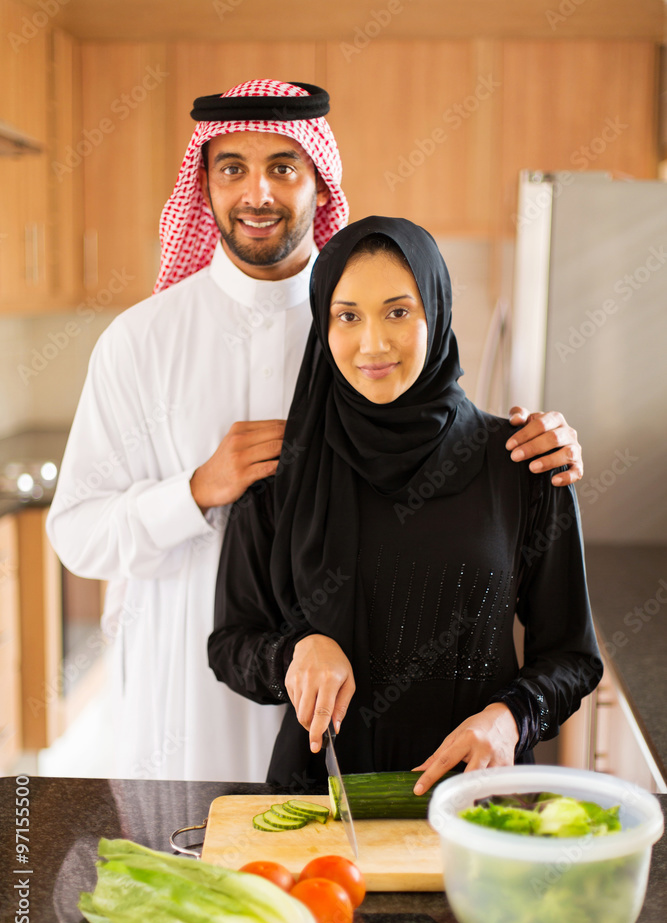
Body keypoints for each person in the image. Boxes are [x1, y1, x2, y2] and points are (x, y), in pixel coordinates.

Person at [47, 79, 584, 783]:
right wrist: (195, 490)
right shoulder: (140, 341)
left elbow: (448, 470)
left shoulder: (356, 313)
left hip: (367, 704)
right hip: (193, 680)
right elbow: (77, 534)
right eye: (232, 168)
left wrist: (542, 443)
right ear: (202, 186)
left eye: (284, 167)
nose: (257, 193)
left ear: (321, 185)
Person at [208, 217, 603, 792]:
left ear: (436, 314)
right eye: (348, 316)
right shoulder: (282, 475)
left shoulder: (523, 463)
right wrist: (296, 650)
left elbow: (572, 655)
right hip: (321, 802)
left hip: (477, 799)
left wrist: (512, 717)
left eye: (398, 311)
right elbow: (231, 644)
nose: (373, 343)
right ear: (324, 324)